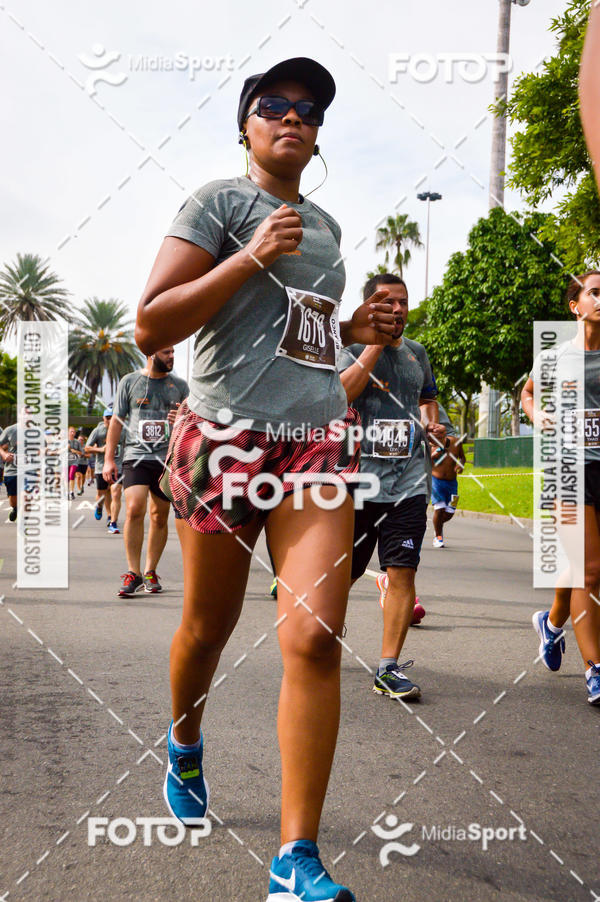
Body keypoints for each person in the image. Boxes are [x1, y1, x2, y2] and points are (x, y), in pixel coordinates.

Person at [134, 57, 399, 902]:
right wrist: (248, 256)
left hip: (313, 439)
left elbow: (301, 334)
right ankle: (184, 743)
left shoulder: (323, 227)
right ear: (246, 125)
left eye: (307, 109)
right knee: (206, 629)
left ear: (317, 135)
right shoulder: (216, 203)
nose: (292, 116)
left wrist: (351, 324)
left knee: (315, 637)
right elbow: (155, 318)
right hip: (220, 439)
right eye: (273, 105)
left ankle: (296, 858)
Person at [339, 273, 446, 701]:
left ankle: (387, 667)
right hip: (356, 485)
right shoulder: (347, 350)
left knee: (402, 572)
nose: (398, 309)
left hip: (408, 485)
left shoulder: (418, 354)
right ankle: (323, 634)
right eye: (387, 303)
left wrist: (433, 427)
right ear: (369, 308)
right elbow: (342, 394)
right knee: (340, 575)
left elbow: (426, 400)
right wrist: (374, 345)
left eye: (402, 302)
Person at [522, 272, 600, 705]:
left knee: (584, 568)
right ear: (576, 305)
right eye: (594, 292)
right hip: (569, 469)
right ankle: (595, 669)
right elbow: (528, 394)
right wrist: (538, 415)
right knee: (589, 571)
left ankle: (551, 626)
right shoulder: (554, 357)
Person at [103, 348, 188, 595]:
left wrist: (181, 420)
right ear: (151, 353)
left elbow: (194, 423)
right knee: (134, 508)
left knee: (159, 516)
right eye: (166, 352)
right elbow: (117, 422)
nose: (172, 356)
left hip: (166, 459)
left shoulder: (180, 386)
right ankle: (133, 572)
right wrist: (109, 459)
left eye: (174, 351)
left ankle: (150, 571)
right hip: (136, 456)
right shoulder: (129, 382)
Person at [430, 402, 465, 548]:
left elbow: (462, 458)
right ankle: (438, 536)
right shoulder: (433, 445)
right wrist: (437, 452)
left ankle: (437, 526)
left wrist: (460, 465)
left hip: (452, 484)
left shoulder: (456, 443)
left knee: (449, 513)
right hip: (437, 482)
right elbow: (429, 460)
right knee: (439, 509)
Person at [86, 411, 116, 527]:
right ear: (103, 418)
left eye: (112, 418)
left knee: (113, 491)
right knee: (102, 494)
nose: (109, 420)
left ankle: (110, 517)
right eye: (107, 418)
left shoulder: (121, 430)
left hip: (116, 466)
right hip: (100, 467)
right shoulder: (98, 431)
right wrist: (101, 450)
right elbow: (87, 448)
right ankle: (99, 506)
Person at [0, 421, 18, 521]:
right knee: (12, 498)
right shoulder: (10, 430)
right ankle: (15, 508)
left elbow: (5, 445)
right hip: (11, 470)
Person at [67, 426, 84, 500]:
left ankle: (71, 492)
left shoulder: (77, 442)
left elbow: (81, 453)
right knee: (66, 478)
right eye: (71, 431)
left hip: (74, 461)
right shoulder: (64, 441)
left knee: (71, 475)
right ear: (68, 432)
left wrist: (75, 451)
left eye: (74, 432)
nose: (73, 433)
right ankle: (66, 492)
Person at [76, 430, 88, 495]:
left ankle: (82, 486)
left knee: (83, 476)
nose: (80, 441)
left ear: (84, 441)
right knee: (78, 476)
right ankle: (79, 489)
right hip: (76, 463)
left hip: (84, 463)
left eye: (82, 440)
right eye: (79, 440)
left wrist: (82, 454)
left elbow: (89, 456)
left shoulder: (86, 447)